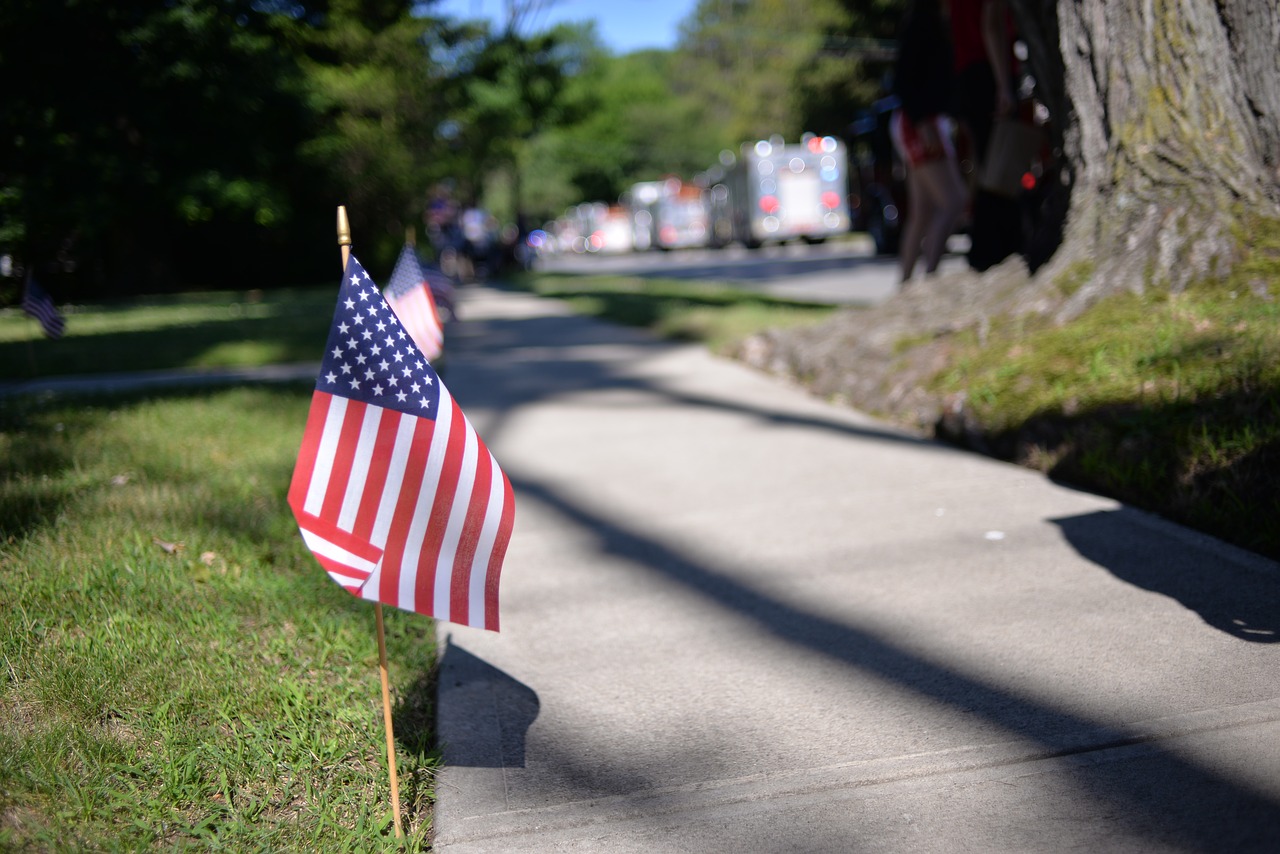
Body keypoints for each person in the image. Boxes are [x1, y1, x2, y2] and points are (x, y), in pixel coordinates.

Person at [890, 0, 968, 283]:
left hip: (919, 121)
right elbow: (904, 81)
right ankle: (930, 278)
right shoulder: (922, 23)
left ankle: (905, 284)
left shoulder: (934, 21)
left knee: (922, 211)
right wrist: (923, 122)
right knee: (954, 202)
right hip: (920, 122)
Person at [948, 0, 1022, 271]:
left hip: (969, 74)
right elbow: (991, 26)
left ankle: (989, 246)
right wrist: (1004, 85)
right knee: (998, 165)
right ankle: (995, 248)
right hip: (987, 72)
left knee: (986, 163)